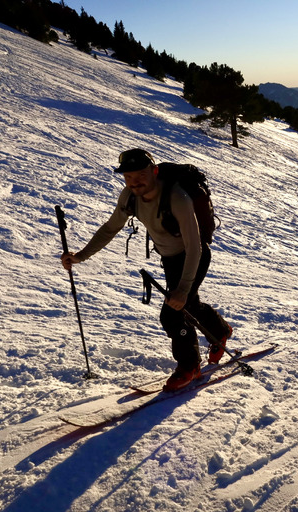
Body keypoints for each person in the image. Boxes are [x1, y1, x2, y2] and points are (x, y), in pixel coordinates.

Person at [60, 148, 232, 391]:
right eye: (128, 177)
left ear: (154, 171)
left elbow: (195, 247)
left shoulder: (176, 198)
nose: (134, 182)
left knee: (173, 312)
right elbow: (110, 228)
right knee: (189, 304)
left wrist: (182, 289)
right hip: (170, 258)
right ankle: (221, 331)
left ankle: (189, 367)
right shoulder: (130, 197)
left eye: (140, 175)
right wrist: (80, 256)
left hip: (195, 256)